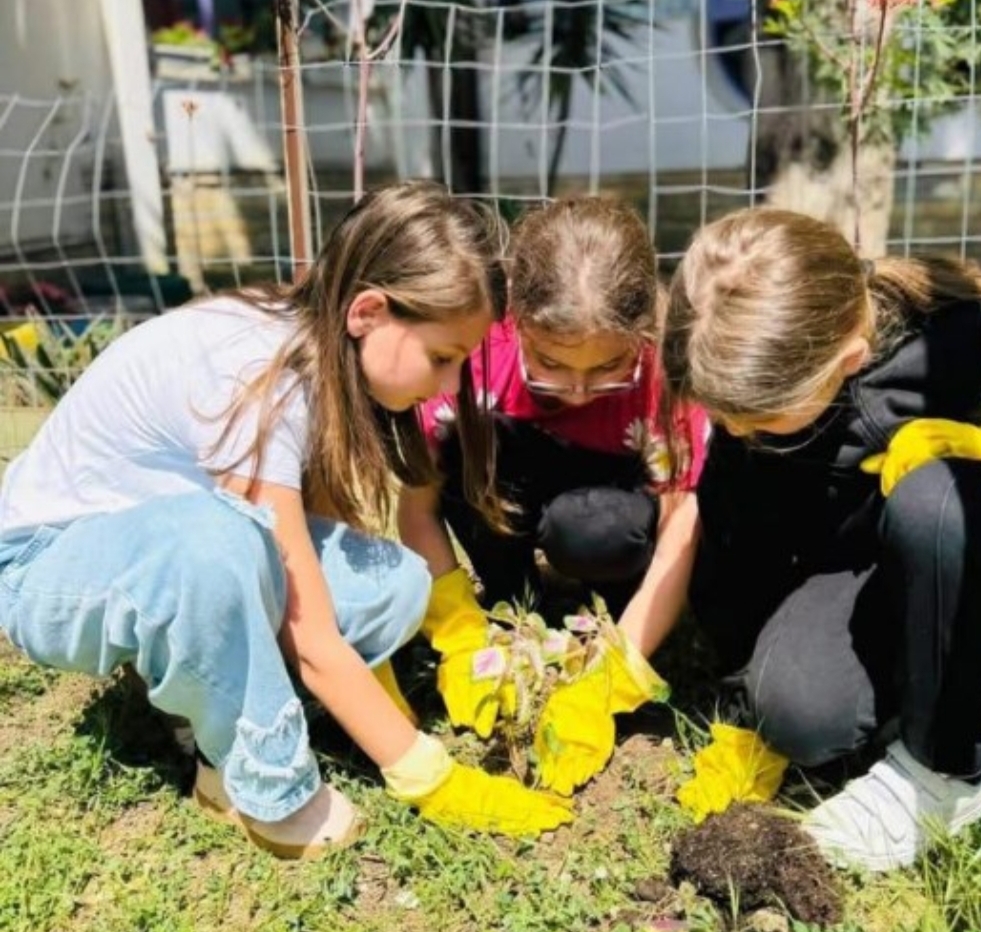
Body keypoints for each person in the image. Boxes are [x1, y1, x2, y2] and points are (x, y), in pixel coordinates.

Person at [0, 181, 573, 860]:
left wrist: (382, 698)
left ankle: (195, 682)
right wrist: (425, 772)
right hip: (49, 567)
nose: (450, 387)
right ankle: (251, 783)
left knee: (394, 584)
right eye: (442, 356)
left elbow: (309, 550)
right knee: (219, 546)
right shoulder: (259, 377)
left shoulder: (320, 348)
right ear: (368, 311)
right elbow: (306, 624)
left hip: (169, 553)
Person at [661, 206, 981, 871]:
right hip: (882, 566)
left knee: (937, 500)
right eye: (721, 417)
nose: (734, 432)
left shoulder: (980, 341)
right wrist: (740, 696)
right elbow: (737, 549)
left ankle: (945, 772)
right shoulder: (749, 415)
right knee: (797, 710)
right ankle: (933, 661)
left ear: (849, 359)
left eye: (755, 419)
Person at [398, 196, 708, 794]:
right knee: (467, 451)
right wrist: (456, 630)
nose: (579, 391)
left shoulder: (666, 367)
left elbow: (678, 528)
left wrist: (623, 673)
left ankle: (611, 617)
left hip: (604, 502)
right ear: (515, 318)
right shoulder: (473, 350)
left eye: (610, 367)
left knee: (596, 530)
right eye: (551, 364)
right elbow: (416, 506)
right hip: (503, 481)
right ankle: (511, 603)